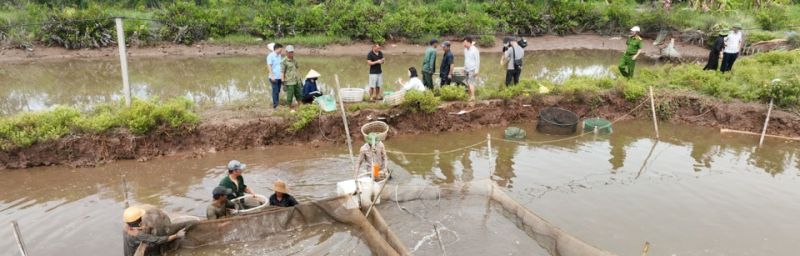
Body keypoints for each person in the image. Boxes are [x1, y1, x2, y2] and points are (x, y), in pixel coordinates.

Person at [123, 205, 194, 256]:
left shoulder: (126, 228)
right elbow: (159, 240)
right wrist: (177, 235)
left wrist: (144, 227)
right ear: (140, 220)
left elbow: (138, 230)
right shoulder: (139, 235)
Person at [463, 36, 480, 101]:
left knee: (471, 83)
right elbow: (466, 59)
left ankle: (473, 96)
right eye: (463, 43)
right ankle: (470, 96)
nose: (463, 44)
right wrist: (464, 68)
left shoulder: (475, 50)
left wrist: (476, 70)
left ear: (469, 42)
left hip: (472, 69)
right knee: (467, 83)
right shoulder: (465, 50)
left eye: (465, 43)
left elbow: (477, 60)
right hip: (467, 69)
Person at [267, 43, 284, 109]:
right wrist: (272, 76)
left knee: (278, 91)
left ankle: (277, 103)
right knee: (275, 91)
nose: (281, 51)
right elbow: (269, 66)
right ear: (276, 49)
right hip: (274, 77)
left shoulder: (279, 55)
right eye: (280, 50)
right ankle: (275, 106)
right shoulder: (270, 56)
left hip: (279, 77)